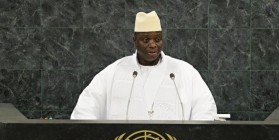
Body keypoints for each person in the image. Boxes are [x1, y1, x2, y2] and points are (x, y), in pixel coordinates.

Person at [71, 11, 217, 120]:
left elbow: (205, 109)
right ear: (134, 40)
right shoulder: (114, 72)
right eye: (146, 39)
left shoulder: (185, 72)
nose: (153, 45)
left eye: (157, 39)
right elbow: (86, 109)